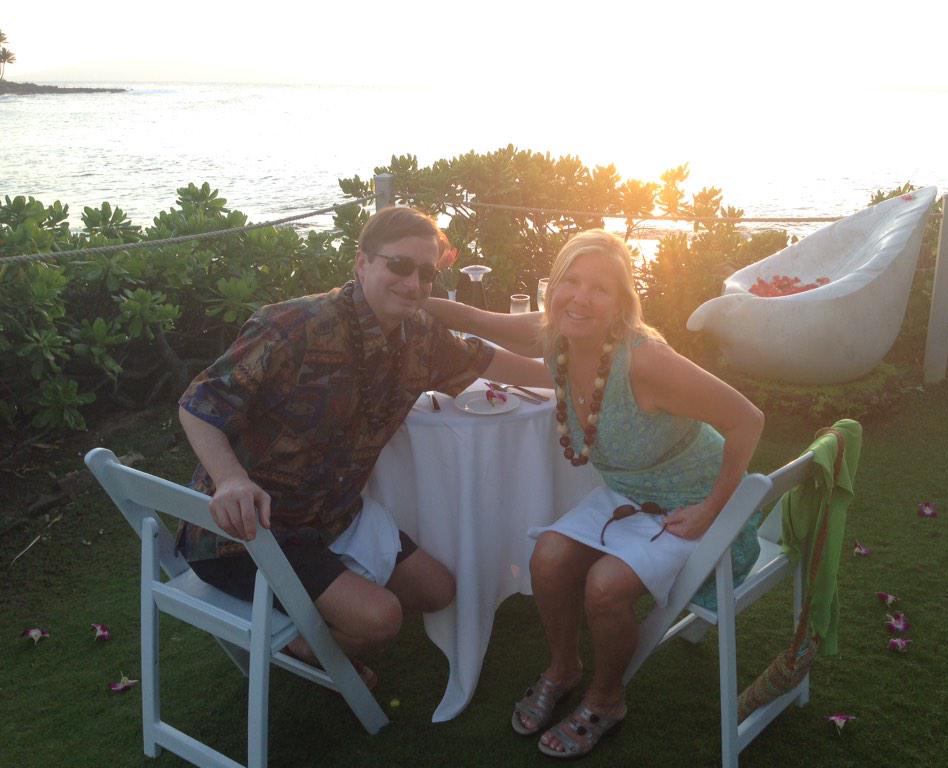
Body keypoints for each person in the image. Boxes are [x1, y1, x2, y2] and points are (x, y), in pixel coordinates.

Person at [176, 205, 550, 689]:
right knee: (380, 619)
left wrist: (585, 379)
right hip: (250, 532)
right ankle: (306, 644)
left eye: (426, 272)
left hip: (334, 515)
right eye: (399, 265)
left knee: (439, 590)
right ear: (362, 263)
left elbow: (493, 362)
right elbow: (199, 402)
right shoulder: (292, 326)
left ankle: (323, 603)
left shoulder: (420, 337)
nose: (413, 284)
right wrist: (229, 478)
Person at [424, 229, 764, 758]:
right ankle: (564, 668)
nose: (580, 298)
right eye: (571, 282)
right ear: (553, 288)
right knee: (548, 559)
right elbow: (482, 322)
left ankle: (607, 698)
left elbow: (748, 420)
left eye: (600, 288)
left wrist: (711, 509)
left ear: (622, 304)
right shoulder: (557, 337)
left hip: (696, 503)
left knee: (605, 587)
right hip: (632, 493)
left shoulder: (645, 358)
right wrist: (414, 300)